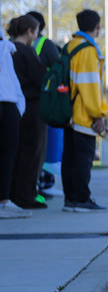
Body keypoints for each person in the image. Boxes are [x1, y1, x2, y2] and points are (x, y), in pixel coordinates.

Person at [62, 10, 108, 213]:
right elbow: (90, 86)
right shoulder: (89, 50)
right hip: (84, 115)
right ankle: (82, 199)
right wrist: (98, 114)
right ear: (97, 27)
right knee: (83, 158)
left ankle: (71, 199)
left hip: (68, 112)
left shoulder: (69, 46)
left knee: (70, 157)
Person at [8, 15, 47, 209]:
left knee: (16, 151)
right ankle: (26, 195)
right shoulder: (27, 52)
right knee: (33, 151)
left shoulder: (8, 50)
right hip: (32, 106)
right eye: (36, 31)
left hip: (13, 106)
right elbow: (41, 79)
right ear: (30, 31)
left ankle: (12, 193)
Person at [0, 22, 28, 218]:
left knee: (9, 148)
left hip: (8, 101)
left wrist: (19, 105)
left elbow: (9, 74)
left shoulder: (4, 42)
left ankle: (3, 200)